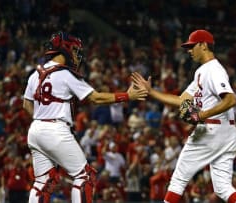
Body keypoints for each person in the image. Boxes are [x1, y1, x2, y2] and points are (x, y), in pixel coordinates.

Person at [22, 31, 148, 203]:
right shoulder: (65, 74)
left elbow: (26, 104)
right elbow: (96, 98)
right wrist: (126, 96)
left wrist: (42, 118)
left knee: (42, 181)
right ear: (65, 49)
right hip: (55, 129)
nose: (76, 55)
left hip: (35, 129)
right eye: (74, 50)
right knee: (85, 175)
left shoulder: (35, 75)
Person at [132, 29, 236, 203]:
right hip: (227, 133)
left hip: (211, 129)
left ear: (204, 45)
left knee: (178, 179)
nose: (189, 50)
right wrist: (151, 92)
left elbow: (230, 99)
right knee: (223, 187)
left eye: (192, 46)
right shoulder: (202, 71)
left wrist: (202, 114)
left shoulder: (214, 70)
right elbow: (181, 100)